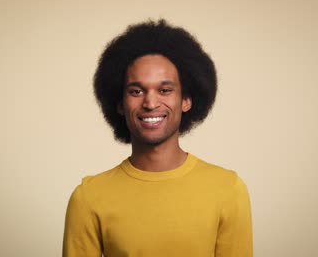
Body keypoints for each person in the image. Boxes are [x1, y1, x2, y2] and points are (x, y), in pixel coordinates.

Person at [63, 19, 253, 257]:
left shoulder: (227, 190)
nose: (150, 103)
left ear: (186, 100)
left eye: (164, 90)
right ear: (120, 103)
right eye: (136, 91)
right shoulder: (89, 197)